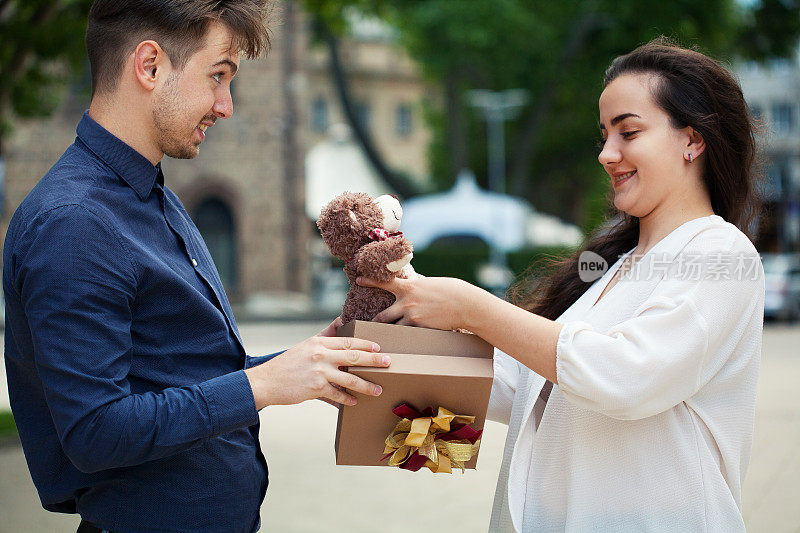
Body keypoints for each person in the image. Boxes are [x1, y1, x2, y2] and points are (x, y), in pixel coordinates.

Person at [2, 1, 389, 532]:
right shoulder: (75, 222)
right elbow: (95, 431)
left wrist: (304, 363)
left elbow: (178, 376)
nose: (225, 106)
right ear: (150, 66)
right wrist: (262, 385)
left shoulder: (146, 193)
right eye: (219, 77)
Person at [360, 39, 764, 531]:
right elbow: (523, 390)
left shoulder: (720, 254)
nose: (607, 154)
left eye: (629, 132)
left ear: (692, 141)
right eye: (604, 136)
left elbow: (624, 378)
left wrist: (472, 308)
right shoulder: (609, 271)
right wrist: (386, 348)